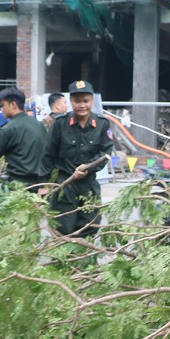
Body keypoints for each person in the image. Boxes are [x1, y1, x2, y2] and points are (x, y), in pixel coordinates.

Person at [44, 80, 115, 237]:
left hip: (89, 185)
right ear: (70, 102)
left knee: (90, 227)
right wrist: (43, 185)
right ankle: (64, 260)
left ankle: (86, 260)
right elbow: (48, 155)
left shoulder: (102, 124)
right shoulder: (60, 124)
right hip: (65, 185)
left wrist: (87, 168)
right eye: (77, 101)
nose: (82, 105)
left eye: (86, 101)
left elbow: (105, 153)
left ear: (92, 101)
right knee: (63, 229)